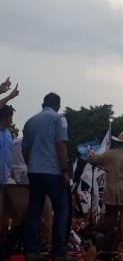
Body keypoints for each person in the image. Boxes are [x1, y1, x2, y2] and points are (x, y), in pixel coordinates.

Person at [22, 92, 72, 261]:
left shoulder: (30, 122)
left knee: (34, 211)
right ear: (58, 105)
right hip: (53, 173)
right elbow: (60, 146)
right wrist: (65, 170)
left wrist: (32, 166)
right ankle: (59, 252)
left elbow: (25, 150)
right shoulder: (59, 118)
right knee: (61, 210)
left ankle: (32, 251)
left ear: (43, 105)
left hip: (34, 172)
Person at [0, 105, 16, 184]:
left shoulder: (9, 133)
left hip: (6, 178)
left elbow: (9, 155)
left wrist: (13, 173)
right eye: (11, 117)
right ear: (6, 117)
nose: (12, 120)